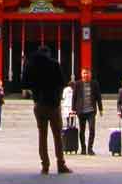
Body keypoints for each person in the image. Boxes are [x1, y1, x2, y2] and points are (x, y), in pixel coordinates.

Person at [20, 43, 71, 175]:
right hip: (53, 104)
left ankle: (45, 166)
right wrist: (58, 95)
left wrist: (35, 92)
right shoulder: (54, 64)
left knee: (42, 135)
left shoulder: (31, 64)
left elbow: (24, 83)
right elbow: (62, 82)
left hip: (39, 104)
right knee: (57, 136)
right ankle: (61, 164)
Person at [72, 67, 103, 155]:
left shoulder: (94, 84)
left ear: (90, 74)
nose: (86, 75)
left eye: (87, 73)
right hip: (81, 111)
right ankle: (83, 148)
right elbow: (74, 97)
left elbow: (98, 97)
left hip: (91, 111)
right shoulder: (77, 84)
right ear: (81, 74)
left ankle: (90, 148)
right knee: (82, 130)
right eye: (84, 73)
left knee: (92, 129)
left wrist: (100, 109)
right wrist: (73, 109)